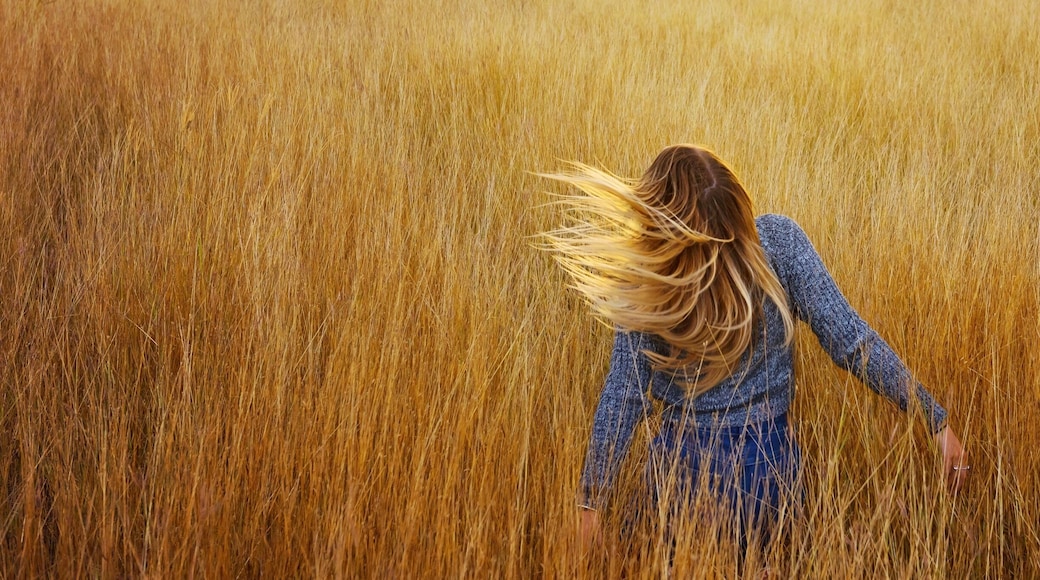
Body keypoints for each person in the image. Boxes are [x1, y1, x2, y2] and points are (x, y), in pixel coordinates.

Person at [541, 144, 968, 555]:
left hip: (678, 476)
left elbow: (625, 394)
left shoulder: (648, 275)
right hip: (769, 474)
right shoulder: (778, 243)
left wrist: (590, 502)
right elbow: (852, 343)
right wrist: (934, 420)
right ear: (738, 206)